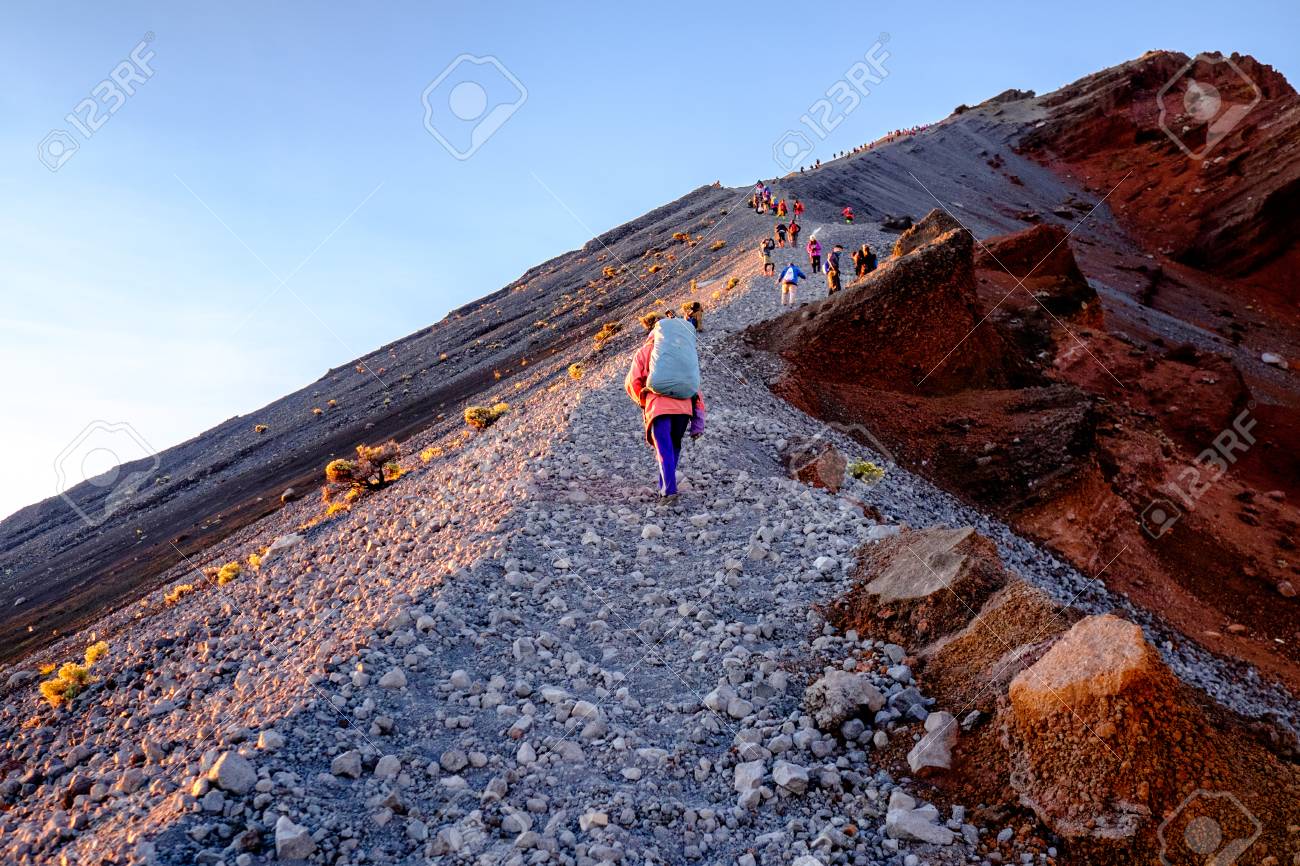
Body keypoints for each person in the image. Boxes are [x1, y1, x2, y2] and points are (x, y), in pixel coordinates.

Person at [625, 323, 706, 498]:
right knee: (674, 446)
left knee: (663, 449)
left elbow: (632, 382)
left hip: (659, 408)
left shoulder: (645, 352)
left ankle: (669, 492)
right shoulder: (682, 355)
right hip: (684, 410)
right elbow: (695, 389)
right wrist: (698, 421)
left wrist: (643, 399)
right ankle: (665, 486)